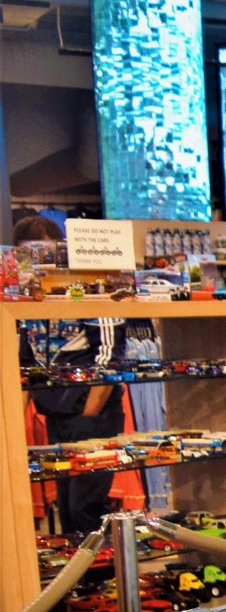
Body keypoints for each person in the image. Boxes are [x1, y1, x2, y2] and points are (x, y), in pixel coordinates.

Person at [16, 215, 127, 537]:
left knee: (85, 507)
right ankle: (82, 581)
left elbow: (108, 358)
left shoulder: (89, 289)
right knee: (66, 507)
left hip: (90, 415)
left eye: (45, 253)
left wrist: (88, 414)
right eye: (30, 255)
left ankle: (106, 576)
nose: (39, 263)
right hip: (55, 416)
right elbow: (25, 367)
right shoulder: (27, 301)